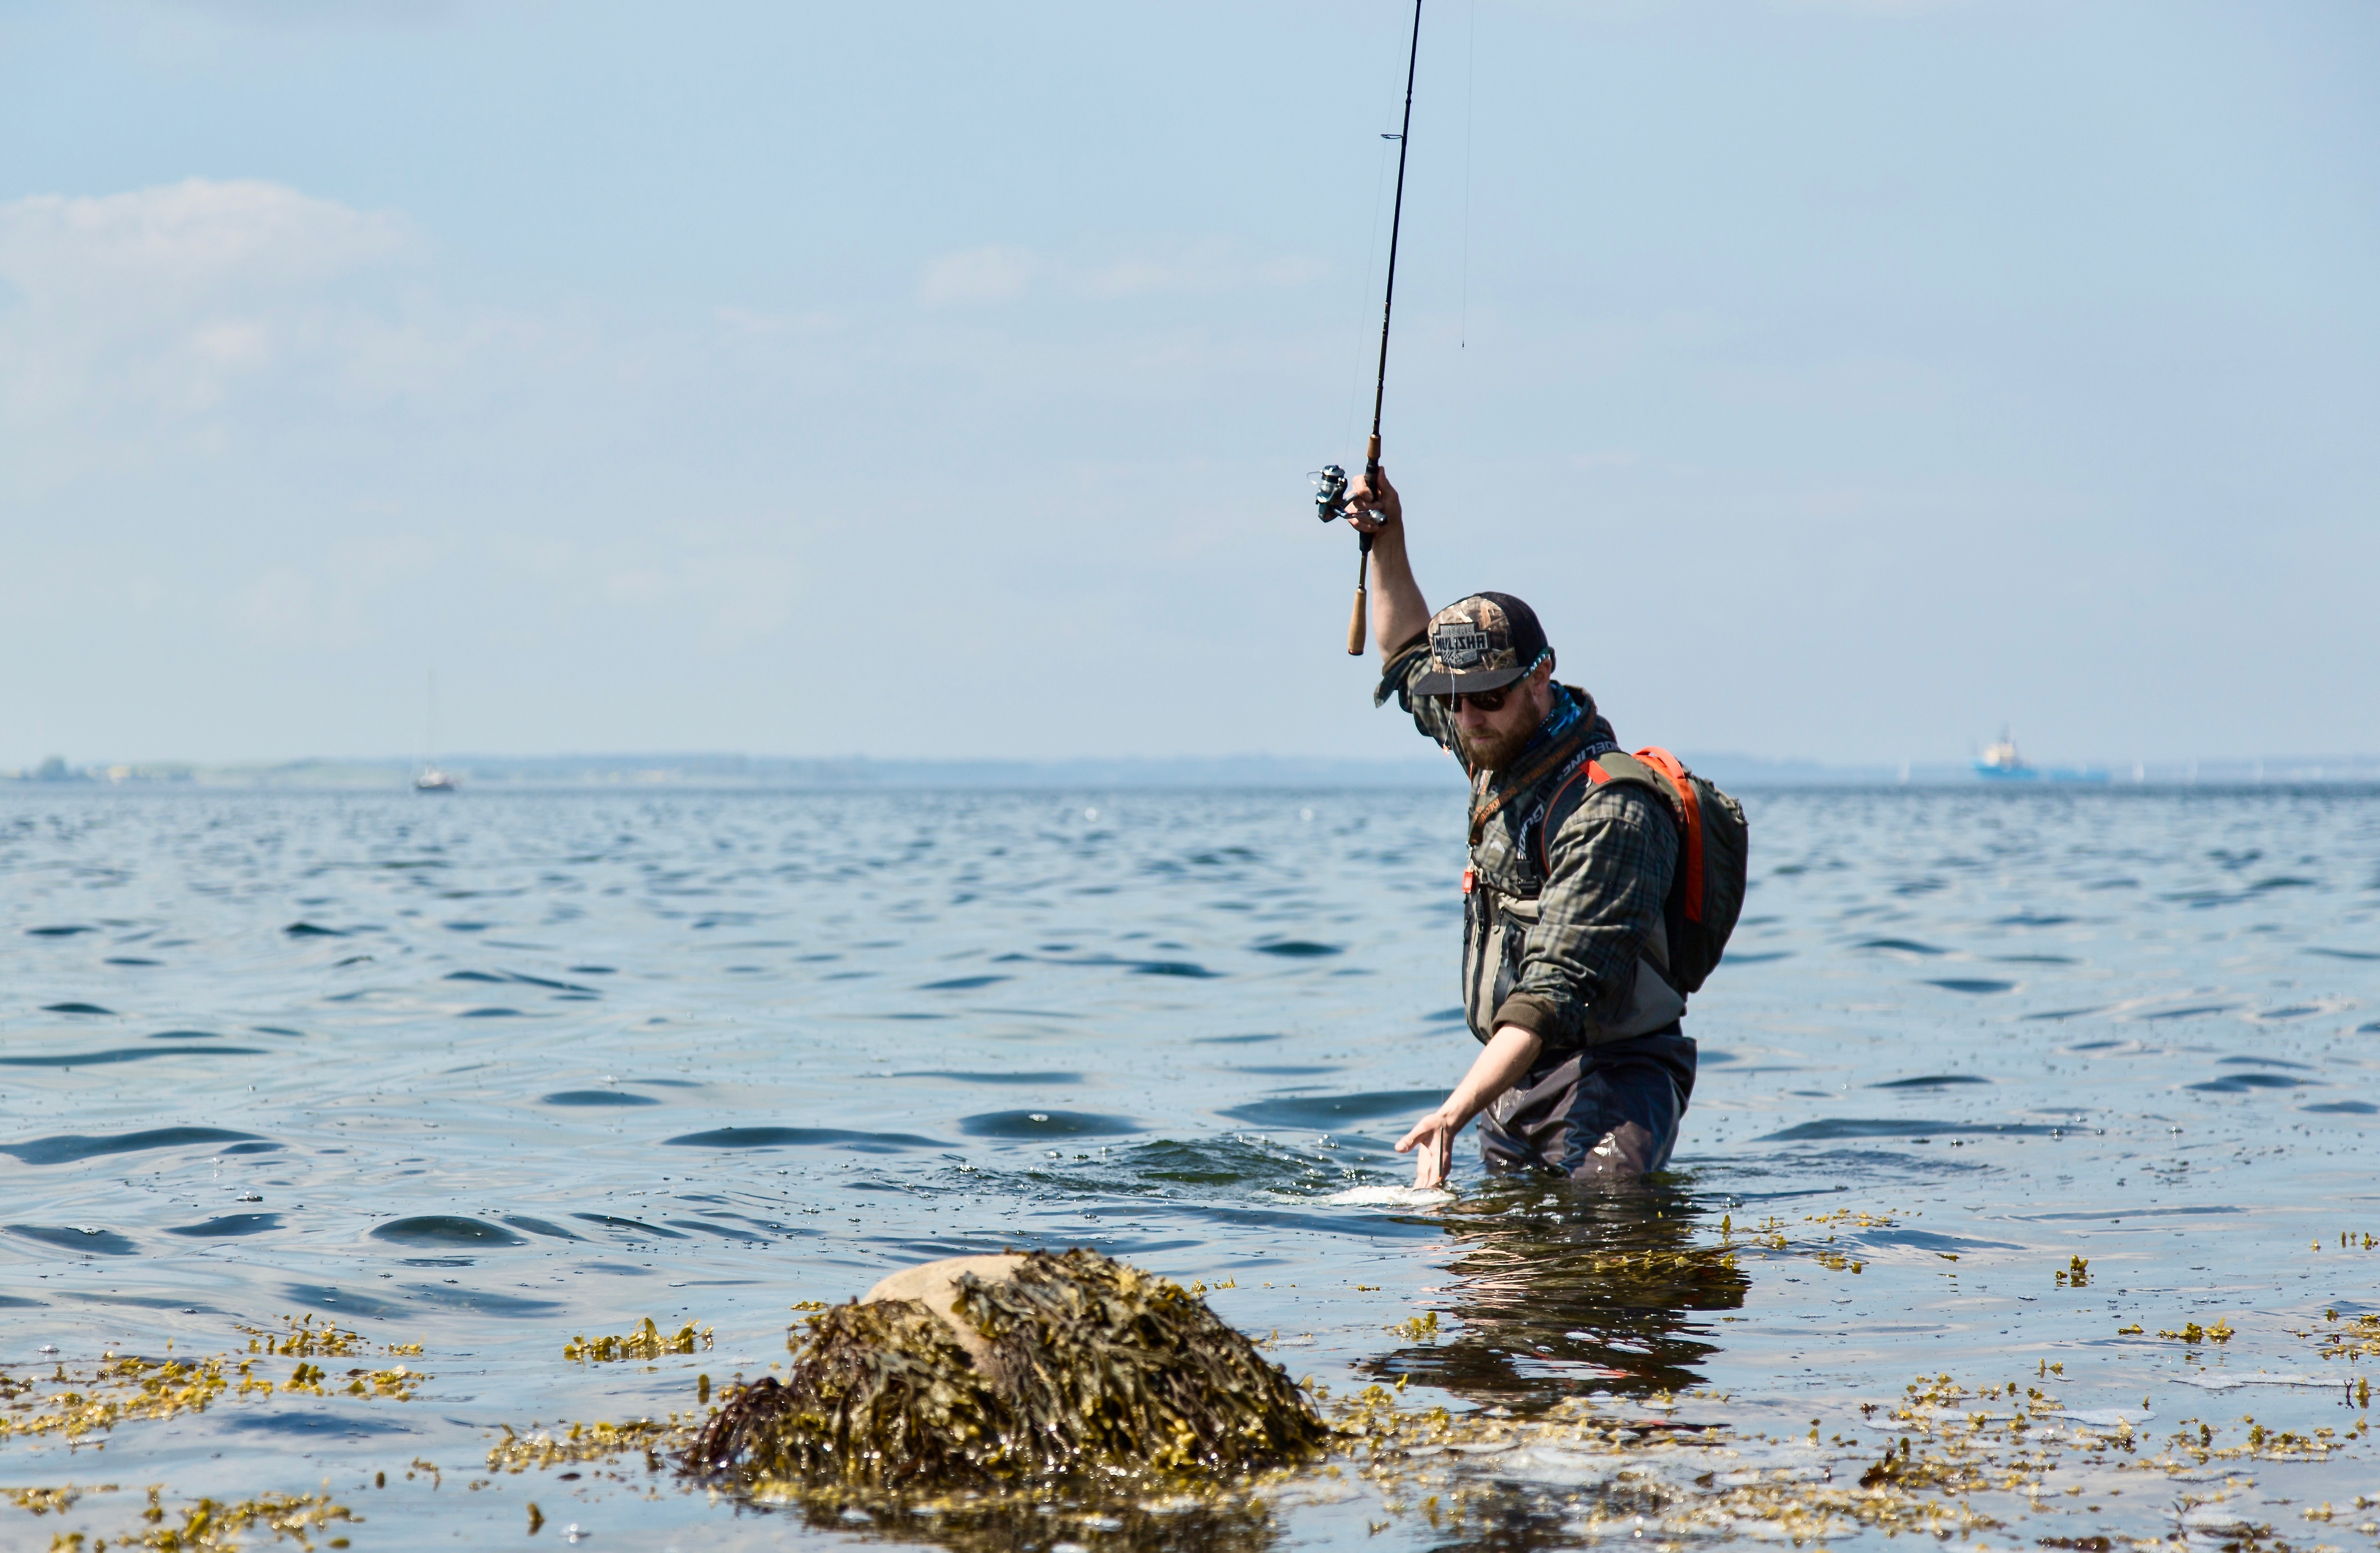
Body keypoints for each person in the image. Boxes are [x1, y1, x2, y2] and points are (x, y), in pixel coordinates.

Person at [1341, 468, 1696, 1189]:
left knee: (1601, 1239)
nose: (1467, 720)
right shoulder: (1492, 736)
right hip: (1515, 1077)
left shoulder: (1613, 812)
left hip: (1617, 1075)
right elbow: (1408, 650)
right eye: (1456, 701)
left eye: (1488, 700)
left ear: (1543, 677)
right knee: (1503, 1265)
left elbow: (1552, 991)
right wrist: (1388, 537)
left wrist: (1450, 1112)